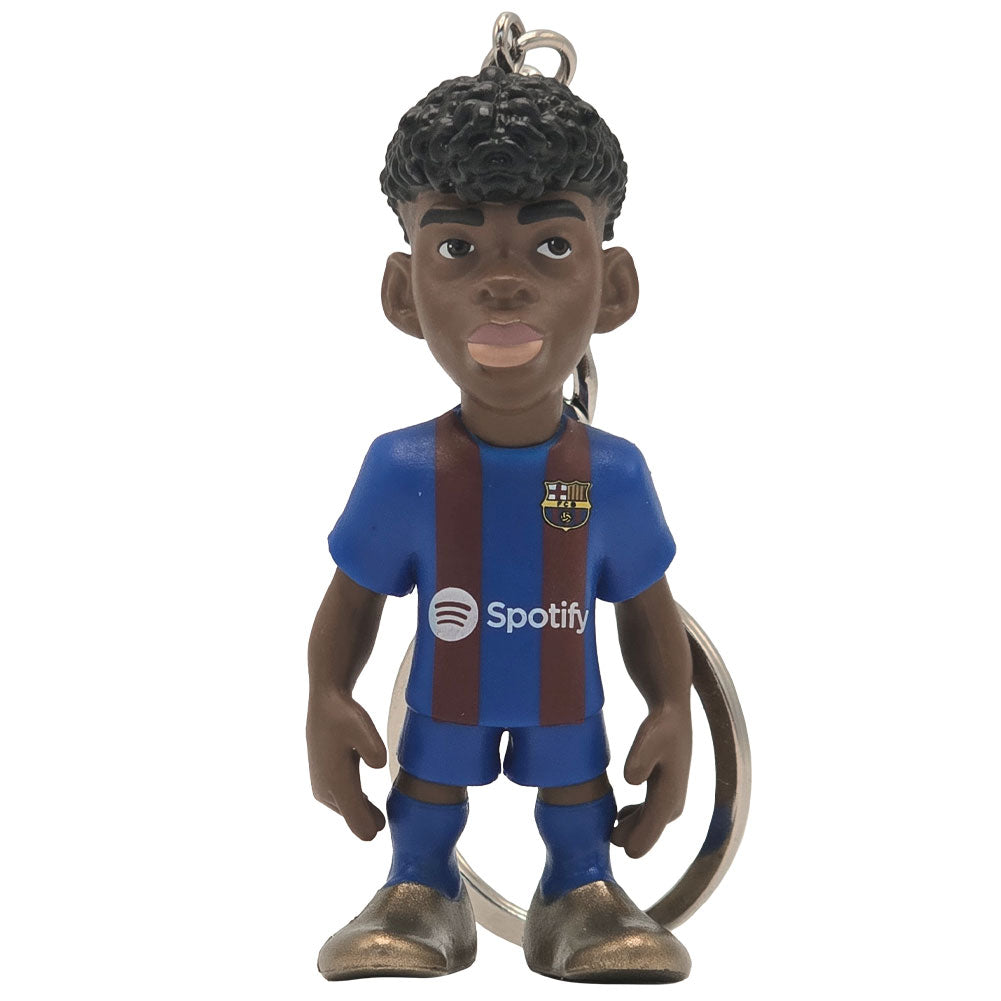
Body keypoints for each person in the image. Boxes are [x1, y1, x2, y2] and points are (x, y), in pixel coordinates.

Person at [307, 65, 694, 982]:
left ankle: (581, 889)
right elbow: (351, 599)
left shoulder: (612, 474)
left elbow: (648, 608)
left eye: (552, 246)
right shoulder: (402, 469)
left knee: (576, 794)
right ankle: (418, 887)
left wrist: (673, 710)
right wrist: (326, 696)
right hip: (445, 698)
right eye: (457, 249)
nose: (503, 286)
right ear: (404, 293)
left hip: (568, 702)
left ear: (612, 287)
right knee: (427, 791)